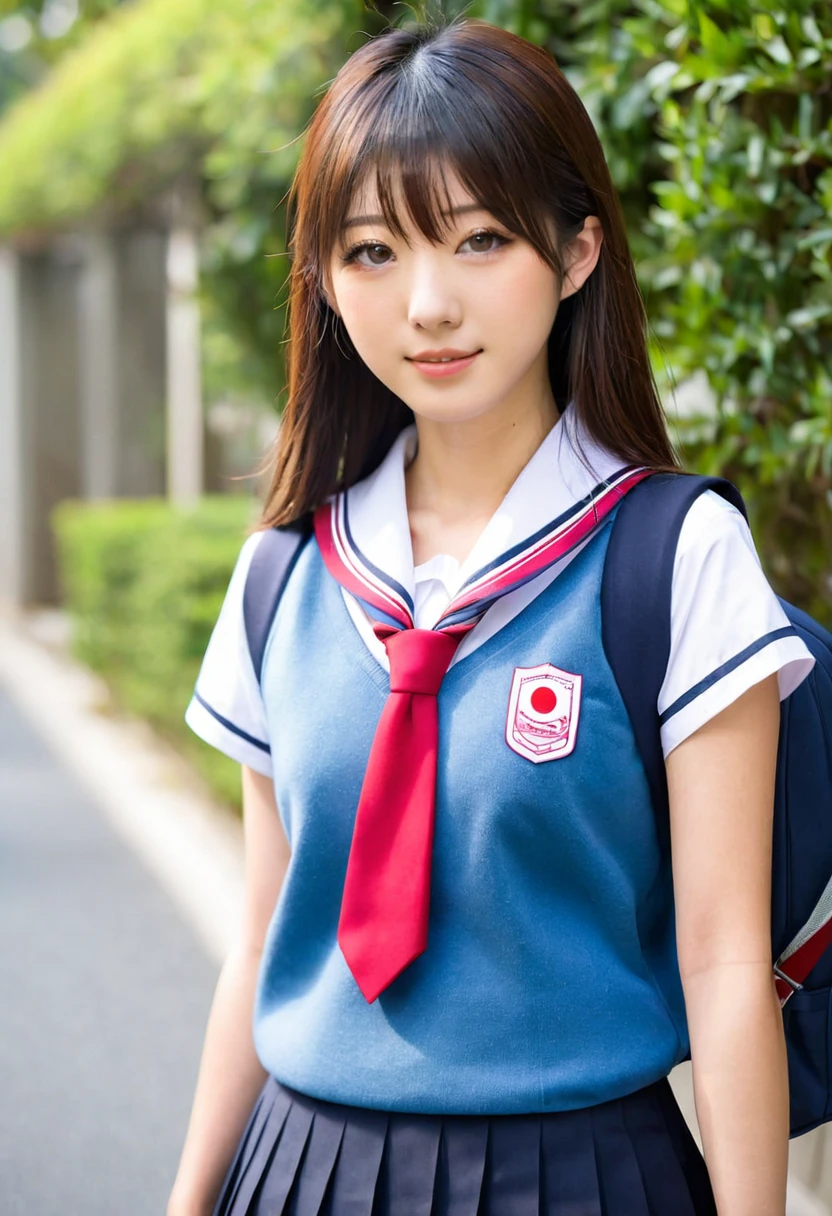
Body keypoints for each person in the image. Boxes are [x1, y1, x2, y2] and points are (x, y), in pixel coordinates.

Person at [167, 15, 816, 1216]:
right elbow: (258, 950)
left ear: (576, 254)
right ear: (319, 277)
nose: (427, 303)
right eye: (370, 252)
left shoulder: (672, 559)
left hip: (578, 1175)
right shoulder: (282, 575)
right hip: (300, 1171)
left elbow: (724, 965)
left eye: (477, 240)